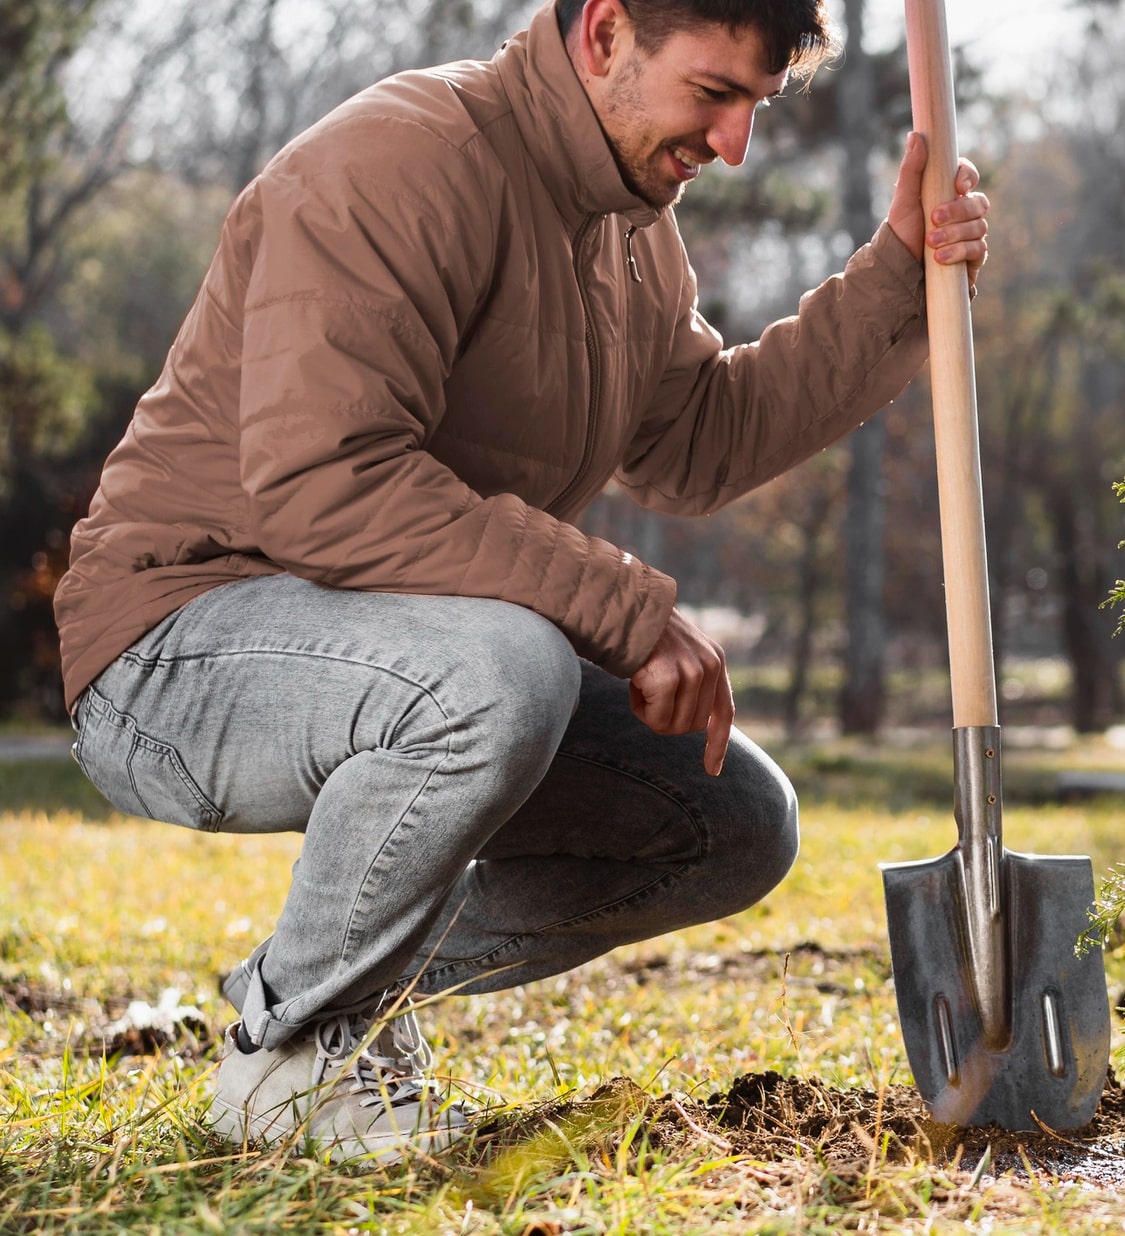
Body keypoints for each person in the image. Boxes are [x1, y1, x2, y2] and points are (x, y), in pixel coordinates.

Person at [54, 0, 990, 1162]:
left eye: (756, 105)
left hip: (395, 648)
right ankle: (291, 1056)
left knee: (728, 821)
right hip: (171, 650)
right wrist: (622, 612)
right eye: (713, 94)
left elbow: (700, 439)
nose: (735, 142)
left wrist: (896, 277)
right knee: (506, 667)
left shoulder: (630, 234)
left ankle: (308, 985)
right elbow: (322, 483)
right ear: (604, 33)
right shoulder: (401, 160)